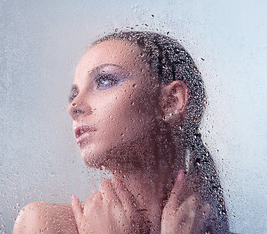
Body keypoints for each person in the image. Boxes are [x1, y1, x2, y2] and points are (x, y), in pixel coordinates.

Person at [13, 31, 230, 234]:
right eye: (73, 94)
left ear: (172, 101)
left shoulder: (209, 225)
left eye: (105, 80)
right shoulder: (45, 223)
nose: (74, 106)